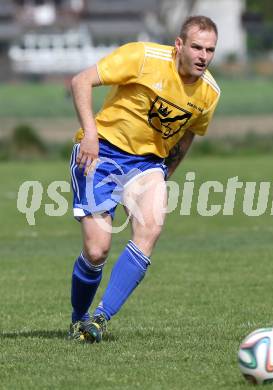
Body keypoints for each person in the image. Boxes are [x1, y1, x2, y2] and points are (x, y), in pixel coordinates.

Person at [68, 15, 220, 343]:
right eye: (196, 46)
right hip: (102, 153)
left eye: (209, 49)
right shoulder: (143, 57)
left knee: (151, 228)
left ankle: (100, 319)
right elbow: (80, 81)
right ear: (178, 45)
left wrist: (165, 174)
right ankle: (77, 318)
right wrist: (91, 134)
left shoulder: (209, 93)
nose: (203, 56)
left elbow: (189, 132)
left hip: (147, 163)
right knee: (97, 251)